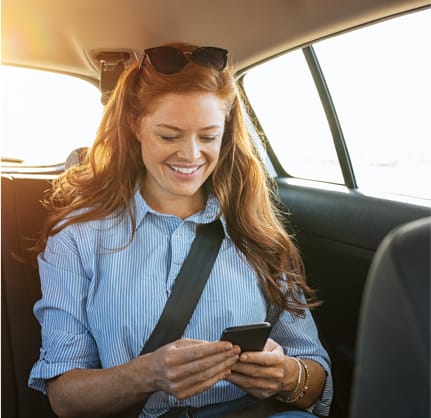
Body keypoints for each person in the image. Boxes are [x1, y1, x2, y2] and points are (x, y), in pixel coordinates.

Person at [28, 42, 333, 418]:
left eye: (207, 137)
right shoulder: (77, 237)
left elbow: (315, 377)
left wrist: (286, 375)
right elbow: (64, 399)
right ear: (135, 125)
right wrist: (146, 375)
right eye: (169, 136)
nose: (190, 155)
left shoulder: (258, 233)